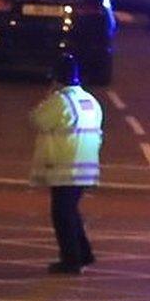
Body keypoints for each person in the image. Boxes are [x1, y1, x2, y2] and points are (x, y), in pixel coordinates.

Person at [30, 54, 103, 275]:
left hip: (65, 166)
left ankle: (71, 260)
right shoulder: (90, 100)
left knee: (62, 214)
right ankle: (83, 253)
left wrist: (47, 96)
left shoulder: (61, 100)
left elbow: (37, 120)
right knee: (70, 211)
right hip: (86, 165)